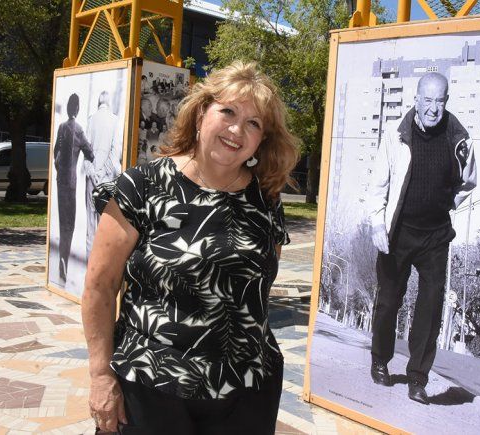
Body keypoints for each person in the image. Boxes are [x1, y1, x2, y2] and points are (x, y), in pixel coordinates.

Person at [82, 61, 300, 434]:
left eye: (253, 123)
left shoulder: (267, 200)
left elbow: (257, 293)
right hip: (151, 391)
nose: (236, 129)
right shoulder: (143, 186)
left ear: (261, 140)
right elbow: (100, 287)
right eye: (227, 111)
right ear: (201, 113)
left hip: (246, 395)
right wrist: (101, 375)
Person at [366, 72, 477, 405]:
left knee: (430, 309)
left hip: (435, 237)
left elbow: (468, 182)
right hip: (398, 233)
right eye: (427, 100)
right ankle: (380, 359)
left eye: (440, 100)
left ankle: (417, 378)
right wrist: (377, 225)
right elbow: (378, 184)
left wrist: (447, 204)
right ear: (416, 100)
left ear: (447, 100)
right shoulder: (395, 134)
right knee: (388, 302)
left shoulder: (458, 139)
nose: (433, 108)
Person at [53, 93, 94, 283]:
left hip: (60, 180)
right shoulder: (78, 130)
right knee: (69, 224)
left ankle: (62, 259)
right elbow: (90, 152)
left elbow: (55, 154)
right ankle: (64, 263)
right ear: (77, 109)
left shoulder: (61, 128)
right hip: (71, 183)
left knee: (63, 223)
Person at [85, 90, 122, 258]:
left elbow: (87, 150)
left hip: (92, 175)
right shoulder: (115, 120)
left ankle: (88, 261)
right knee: (106, 220)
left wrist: (92, 172)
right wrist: (107, 172)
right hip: (107, 177)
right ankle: (102, 261)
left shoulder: (91, 120)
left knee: (90, 221)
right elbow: (116, 151)